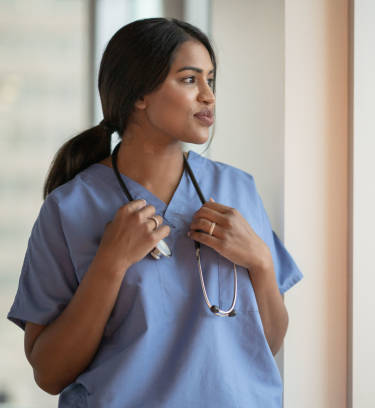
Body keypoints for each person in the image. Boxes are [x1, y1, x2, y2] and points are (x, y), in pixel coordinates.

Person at [6, 17, 302, 407]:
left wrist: (262, 262)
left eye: (210, 80)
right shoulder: (68, 209)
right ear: (139, 93)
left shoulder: (238, 191)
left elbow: (269, 343)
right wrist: (110, 264)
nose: (208, 96)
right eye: (189, 79)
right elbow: (49, 373)